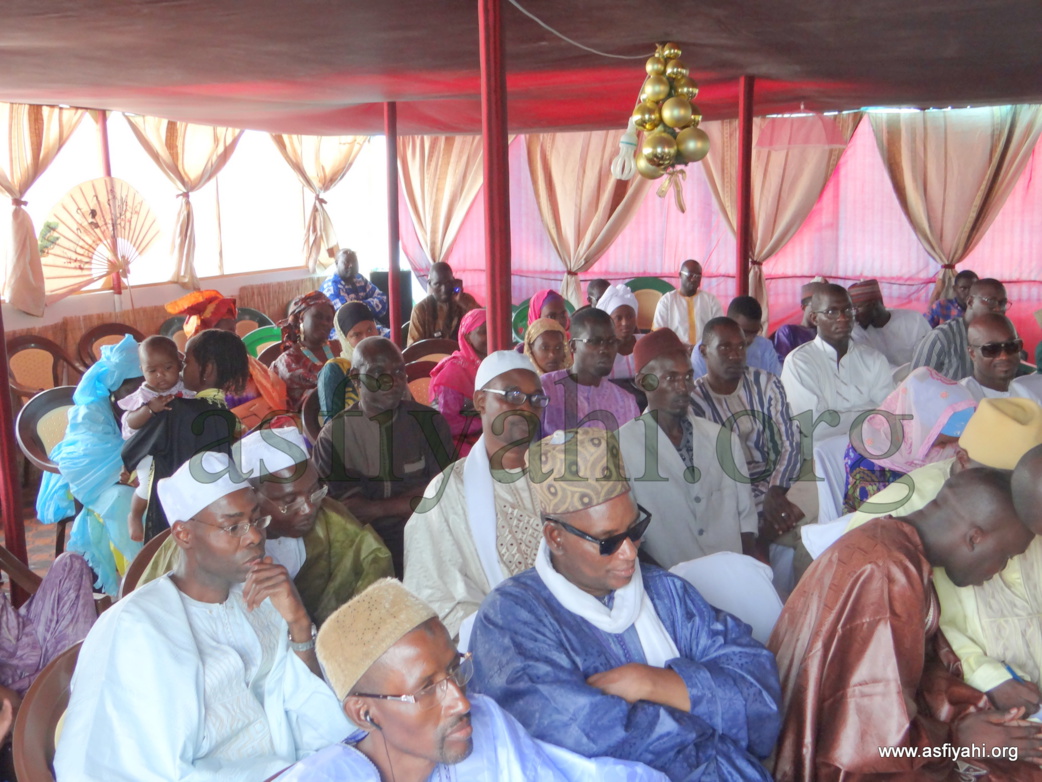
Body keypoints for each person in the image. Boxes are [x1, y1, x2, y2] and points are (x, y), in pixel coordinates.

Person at [469, 428, 782, 781]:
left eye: (634, 530)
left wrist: (652, 682)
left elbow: (760, 688)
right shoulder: (510, 618)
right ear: (556, 537)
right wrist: (704, 714)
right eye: (608, 541)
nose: (630, 551)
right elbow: (580, 737)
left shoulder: (665, 593)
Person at [54, 452, 350, 781]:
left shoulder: (262, 597)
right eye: (233, 526)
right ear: (183, 534)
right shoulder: (134, 627)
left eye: (256, 520)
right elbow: (128, 764)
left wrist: (298, 624)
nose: (254, 536)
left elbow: (305, 705)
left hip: (287, 766)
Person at [768, 468, 1040, 781]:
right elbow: (873, 741)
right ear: (974, 537)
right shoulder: (889, 573)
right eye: (1005, 556)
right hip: (832, 762)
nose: (1001, 569)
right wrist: (958, 742)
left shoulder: (887, 541)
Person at [280, 579, 667, 781]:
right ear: (364, 713)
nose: (462, 702)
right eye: (427, 688)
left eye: (454, 670)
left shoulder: (487, 723)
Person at [847, 402, 1042, 717]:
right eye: (1000, 479)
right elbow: (905, 641)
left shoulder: (1032, 499)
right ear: (962, 461)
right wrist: (986, 677)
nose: (1013, 497)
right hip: (967, 700)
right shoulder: (897, 517)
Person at [139, 426, 394, 625]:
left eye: (315, 492)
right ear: (250, 495)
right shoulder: (198, 548)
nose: (308, 509)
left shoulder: (332, 521)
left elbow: (374, 568)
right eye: (288, 501)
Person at [404, 351, 546, 638]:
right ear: (481, 401)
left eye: (536, 399)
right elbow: (434, 593)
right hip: (496, 638)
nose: (527, 409)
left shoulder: (558, 474)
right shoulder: (447, 492)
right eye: (513, 395)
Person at [617, 328, 758, 566]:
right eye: (671, 378)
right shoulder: (621, 447)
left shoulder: (723, 440)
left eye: (687, 377)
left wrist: (746, 575)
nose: (683, 388)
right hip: (670, 583)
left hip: (729, 578)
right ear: (643, 382)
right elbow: (627, 535)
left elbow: (746, 522)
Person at [314, 337, 453, 578]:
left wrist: (377, 508)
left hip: (429, 539)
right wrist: (415, 497)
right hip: (365, 551)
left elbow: (445, 496)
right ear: (356, 377)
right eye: (378, 372)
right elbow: (349, 514)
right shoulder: (334, 437)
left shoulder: (430, 423)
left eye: (400, 371)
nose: (393, 380)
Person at [689, 318, 808, 565]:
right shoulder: (693, 400)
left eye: (741, 346)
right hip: (734, 492)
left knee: (822, 470)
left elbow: (789, 442)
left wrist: (775, 490)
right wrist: (763, 496)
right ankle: (776, 529)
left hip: (780, 483)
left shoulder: (766, 383)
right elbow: (713, 468)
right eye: (725, 347)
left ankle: (763, 536)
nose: (735, 355)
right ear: (704, 351)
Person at [123, 328, 250, 541]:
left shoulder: (176, 410)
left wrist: (128, 465)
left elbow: (133, 447)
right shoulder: (225, 415)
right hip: (211, 509)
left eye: (187, 362)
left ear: (207, 370)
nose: (182, 368)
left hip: (175, 512)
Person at [842, 367, 977, 513]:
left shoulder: (948, 445)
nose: (962, 435)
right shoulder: (870, 458)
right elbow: (873, 520)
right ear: (926, 427)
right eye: (956, 429)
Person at [780, 283, 894, 443]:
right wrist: (872, 411)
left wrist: (836, 418)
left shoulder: (874, 359)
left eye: (848, 310)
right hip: (815, 457)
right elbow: (814, 427)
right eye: (831, 312)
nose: (843, 318)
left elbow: (888, 416)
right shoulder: (799, 362)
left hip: (870, 451)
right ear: (814, 318)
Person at [119, 335, 194, 543]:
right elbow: (130, 423)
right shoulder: (143, 396)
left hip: (177, 447)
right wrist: (149, 410)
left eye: (168, 368)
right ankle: (134, 515)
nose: (161, 375)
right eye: (152, 371)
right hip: (148, 450)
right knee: (148, 484)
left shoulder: (185, 389)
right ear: (142, 370)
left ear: (179, 364)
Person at [166, 289, 287, 412]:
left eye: (234, 330)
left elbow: (274, 396)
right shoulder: (191, 382)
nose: (236, 336)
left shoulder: (247, 365)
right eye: (230, 331)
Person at [0, 552, 96, 707]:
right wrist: (10, 701)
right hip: (15, 679)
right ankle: (75, 688)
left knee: (70, 563)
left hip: (26, 634)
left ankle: (73, 676)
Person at [540, 308, 640, 433]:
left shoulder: (626, 402)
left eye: (611, 341)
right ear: (573, 346)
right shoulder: (545, 389)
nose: (605, 349)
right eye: (595, 342)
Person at [911, 277, 1010, 381]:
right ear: (970, 302)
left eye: (1002, 303)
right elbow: (915, 386)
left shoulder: (1002, 337)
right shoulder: (941, 338)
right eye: (991, 301)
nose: (998, 309)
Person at [429, 308, 487, 458]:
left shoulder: (492, 364)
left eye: (492, 330)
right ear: (467, 337)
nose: (490, 336)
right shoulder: (452, 372)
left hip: (488, 434)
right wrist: (484, 422)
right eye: (483, 332)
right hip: (456, 444)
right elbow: (444, 423)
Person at [271, 290, 339, 412]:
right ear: (301, 318)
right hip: (305, 424)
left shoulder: (339, 347)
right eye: (318, 316)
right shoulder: (288, 361)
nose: (325, 323)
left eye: (329, 319)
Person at [316, 301, 379, 422]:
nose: (366, 338)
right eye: (356, 335)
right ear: (345, 339)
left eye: (370, 329)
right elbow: (331, 425)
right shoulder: (334, 370)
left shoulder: (387, 360)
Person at [691, 296, 782, 379]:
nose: (749, 339)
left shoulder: (765, 347)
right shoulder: (706, 350)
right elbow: (696, 391)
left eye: (754, 333)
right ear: (728, 322)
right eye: (744, 332)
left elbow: (777, 383)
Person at [847, 278, 931, 368]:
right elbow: (870, 365)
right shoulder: (857, 331)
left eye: (856, 308)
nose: (854, 315)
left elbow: (929, 356)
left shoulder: (915, 321)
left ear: (873, 304)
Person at [960, 312, 1042, 403]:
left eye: (1011, 346)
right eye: (992, 349)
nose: (1004, 356)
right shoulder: (961, 398)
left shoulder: (1026, 395)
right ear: (972, 353)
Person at [652, 259, 723, 346]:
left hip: (704, 353)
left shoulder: (711, 300)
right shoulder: (667, 301)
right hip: (676, 352)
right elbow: (659, 333)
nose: (694, 279)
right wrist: (682, 347)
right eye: (690, 275)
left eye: (698, 276)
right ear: (680, 275)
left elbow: (720, 330)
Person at [407, 261, 479, 345]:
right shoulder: (421, 310)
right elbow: (413, 348)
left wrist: (464, 304)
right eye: (438, 284)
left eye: (448, 283)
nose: (444, 289)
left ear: (454, 281)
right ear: (430, 284)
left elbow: (484, 325)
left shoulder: (466, 301)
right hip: (432, 356)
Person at [320, 248, 389, 333]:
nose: (351, 265)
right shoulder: (331, 287)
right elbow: (349, 317)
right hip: (342, 335)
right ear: (337, 263)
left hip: (366, 328)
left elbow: (383, 299)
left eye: (354, 261)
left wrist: (358, 306)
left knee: (395, 337)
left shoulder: (359, 278)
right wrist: (366, 307)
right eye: (347, 262)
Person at [772, 278, 828, 363]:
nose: (819, 312)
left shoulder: (827, 333)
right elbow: (782, 365)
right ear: (803, 307)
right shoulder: (788, 331)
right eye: (815, 306)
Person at [593, 282, 642, 379]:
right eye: (618, 318)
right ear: (608, 321)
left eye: (630, 316)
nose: (625, 323)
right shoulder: (600, 350)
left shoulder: (645, 343)